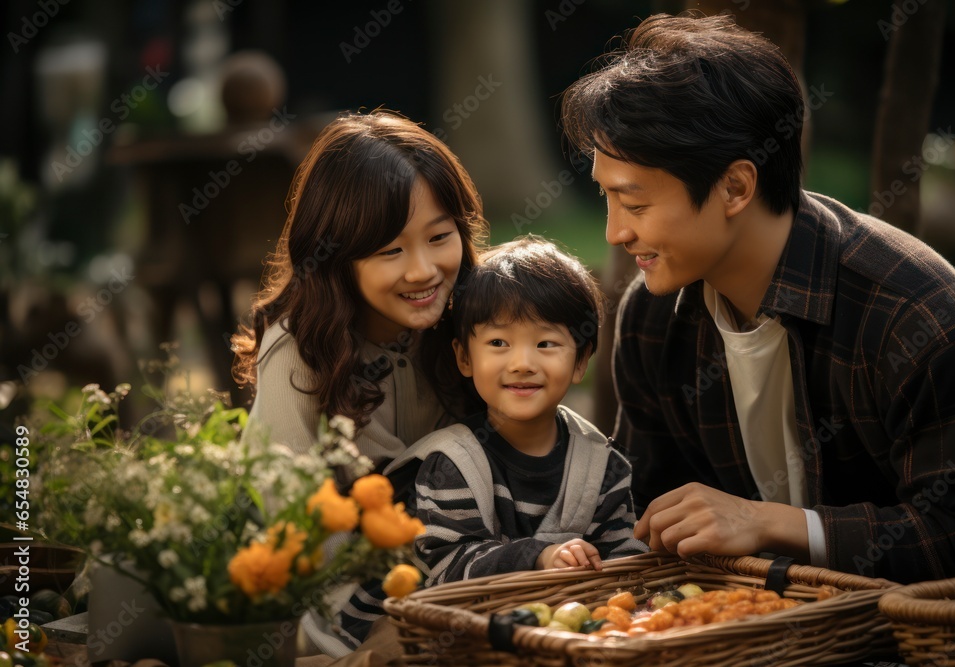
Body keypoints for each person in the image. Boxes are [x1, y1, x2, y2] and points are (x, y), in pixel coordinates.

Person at [560, 12, 955, 584]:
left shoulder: (915, 317)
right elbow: (648, 512)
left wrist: (772, 523)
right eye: (607, 199)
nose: (615, 232)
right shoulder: (652, 316)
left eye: (636, 204)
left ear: (736, 187)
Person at [231, 109, 487, 654]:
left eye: (440, 237)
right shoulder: (301, 349)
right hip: (331, 599)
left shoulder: (473, 321)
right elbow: (293, 528)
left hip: (460, 570)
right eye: (390, 251)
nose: (423, 271)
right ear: (336, 259)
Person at [385, 237, 648, 586]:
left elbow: (623, 563)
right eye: (498, 343)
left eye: (545, 344)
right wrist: (538, 557)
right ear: (465, 357)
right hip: (466, 633)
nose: (522, 364)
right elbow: (448, 568)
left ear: (580, 361)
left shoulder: (602, 466)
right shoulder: (452, 466)